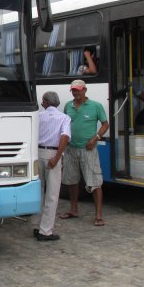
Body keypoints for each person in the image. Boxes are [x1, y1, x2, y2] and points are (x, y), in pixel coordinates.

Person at [61, 79, 109, 226]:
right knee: (72, 181)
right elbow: (65, 124)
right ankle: (73, 210)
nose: (75, 93)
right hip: (71, 149)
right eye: (73, 90)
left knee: (95, 182)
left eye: (78, 90)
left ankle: (99, 215)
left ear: (85, 90)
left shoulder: (96, 106)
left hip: (88, 150)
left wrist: (96, 138)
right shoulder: (68, 105)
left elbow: (105, 124)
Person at [33, 91, 71, 241]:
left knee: (37, 191)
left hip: (37, 153)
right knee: (52, 194)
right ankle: (45, 230)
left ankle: (35, 225)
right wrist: (57, 157)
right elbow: (65, 136)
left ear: (45, 102)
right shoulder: (64, 118)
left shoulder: (39, 117)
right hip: (52, 155)